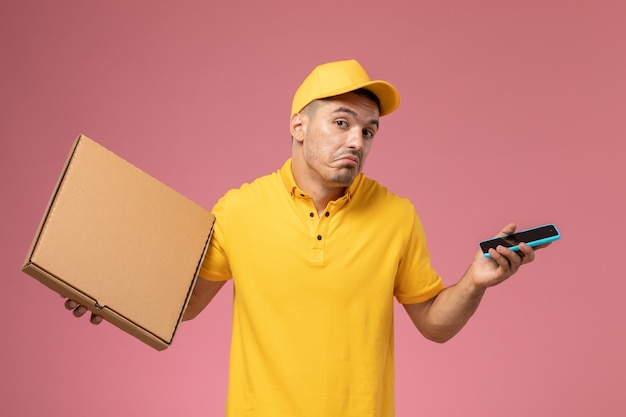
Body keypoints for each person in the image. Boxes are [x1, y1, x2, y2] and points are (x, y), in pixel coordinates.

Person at [66, 59, 543, 417]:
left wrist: (474, 282)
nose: (357, 140)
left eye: (368, 130)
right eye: (341, 122)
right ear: (298, 125)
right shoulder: (239, 208)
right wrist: (108, 290)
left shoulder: (397, 215)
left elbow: (435, 325)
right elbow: (185, 305)